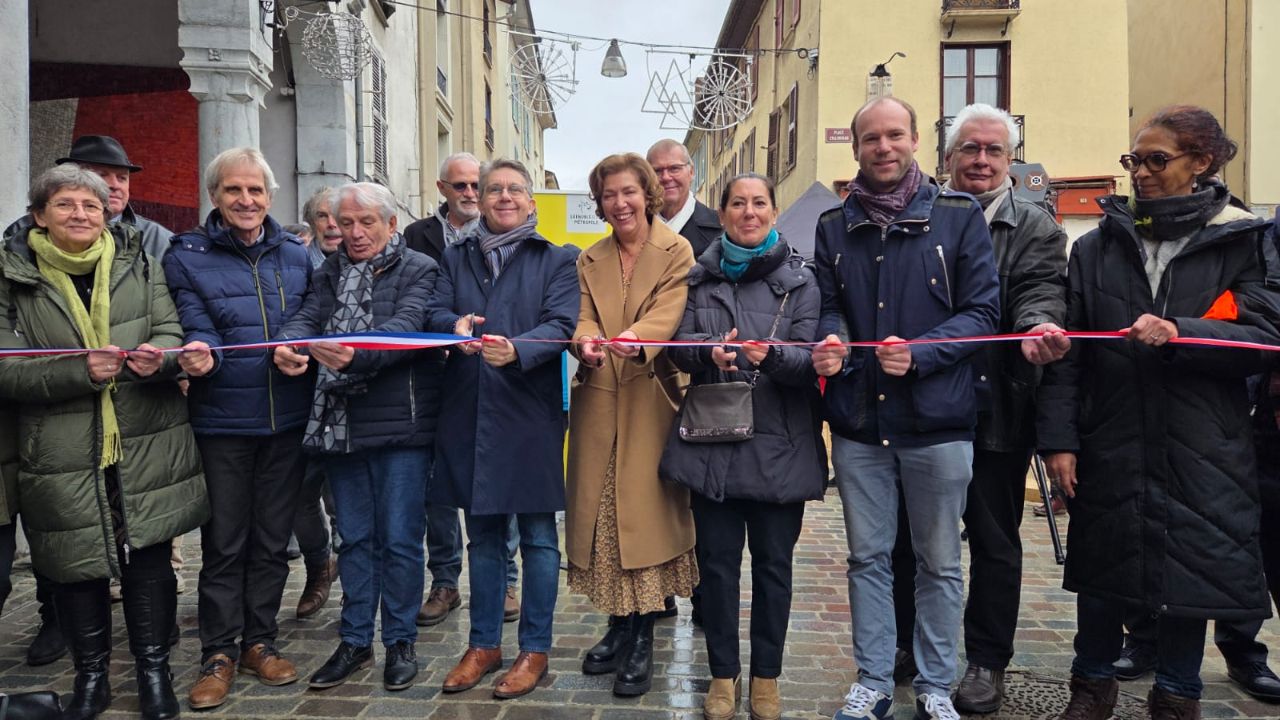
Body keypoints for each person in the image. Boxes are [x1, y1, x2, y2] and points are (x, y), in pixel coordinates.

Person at [1038, 105, 1280, 720]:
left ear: (1200, 164)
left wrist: (1182, 331)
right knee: (1100, 570)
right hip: (1111, 433)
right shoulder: (1094, 248)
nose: (1141, 172)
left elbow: (1263, 334)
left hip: (1204, 442)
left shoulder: (1242, 239)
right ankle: (1090, 688)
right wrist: (1060, 440)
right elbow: (1070, 354)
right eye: (1134, 160)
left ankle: (1178, 695)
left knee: (1190, 573)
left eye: (1156, 160)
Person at [811, 97, 1001, 720]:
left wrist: (921, 353)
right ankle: (871, 679)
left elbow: (984, 315)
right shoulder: (834, 224)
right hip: (862, 424)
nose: (883, 147)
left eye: (895, 135)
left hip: (939, 421)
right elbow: (830, 301)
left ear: (917, 140)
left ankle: (936, 685)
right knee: (867, 558)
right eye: (871, 138)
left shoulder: (958, 215)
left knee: (940, 562)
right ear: (857, 147)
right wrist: (834, 337)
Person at [0, 164, 209, 720]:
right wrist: (79, 371)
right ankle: (90, 676)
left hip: (143, 434)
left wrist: (158, 358)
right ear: (39, 214)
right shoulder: (12, 274)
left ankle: (154, 672)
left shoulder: (138, 259)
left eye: (91, 205)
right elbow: (4, 367)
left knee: (149, 558)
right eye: (66, 204)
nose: (81, 215)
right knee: (76, 563)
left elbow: (170, 331)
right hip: (59, 445)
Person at [888, 103, 1069, 714]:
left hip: (996, 409)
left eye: (995, 150)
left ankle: (987, 660)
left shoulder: (1036, 227)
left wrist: (1038, 326)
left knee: (994, 540)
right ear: (947, 156)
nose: (982, 160)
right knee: (913, 541)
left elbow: (1041, 289)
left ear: (1012, 161)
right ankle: (908, 646)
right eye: (971, 148)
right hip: (923, 408)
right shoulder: (920, 216)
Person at [658, 172, 826, 720]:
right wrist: (711, 353)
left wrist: (771, 356)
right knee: (718, 568)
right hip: (715, 446)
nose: (748, 212)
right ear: (723, 212)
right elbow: (677, 349)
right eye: (737, 203)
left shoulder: (803, 282)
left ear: (773, 212)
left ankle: (767, 679)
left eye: (758, 203)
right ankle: (723, 678)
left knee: (775, 568)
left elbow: (811, 364)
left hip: (781, 444)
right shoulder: (697, 279)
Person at [274, 182, 442, 692]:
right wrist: (286, 346)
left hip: (400, 429)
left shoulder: (421, 268)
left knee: (400, 541)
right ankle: (353, 641)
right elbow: (306, 317)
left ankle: (399, 641)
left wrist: (357, 354)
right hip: (340, 424)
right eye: (345, 222)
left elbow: (409, 328)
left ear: (391, 224)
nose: (354, 232)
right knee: (354, 540)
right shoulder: (327, 270)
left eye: (366, 222)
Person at [163, 147, 313, 710]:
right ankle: (218, 652)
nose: (246, 201)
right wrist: (203, 354)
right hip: (223, 419)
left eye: (255, 191)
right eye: (233, 190)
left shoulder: (296, 256)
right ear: (215, 197)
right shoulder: (186, 255)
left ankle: (260, 640)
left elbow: (308, 311)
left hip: (287, 418)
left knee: (273, 542)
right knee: (225, 542)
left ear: (270, 197)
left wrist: (297, 345)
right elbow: (195, 321)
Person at [425, 158, 578, 699]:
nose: (504, 197)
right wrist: (454, 327)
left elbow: (562, 324)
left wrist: (518, 349)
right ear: (479, 200)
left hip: (530, 412)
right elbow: (436, 311)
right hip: (468, 411)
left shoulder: (558, 258)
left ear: (531, 202)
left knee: (538, 538)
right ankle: (483, 645)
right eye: (495, 189)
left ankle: (534, 647)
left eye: (515, 189)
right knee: (483, 537)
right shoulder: (455, 254)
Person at [566, 152, 698, 697]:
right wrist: (585, 340)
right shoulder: (588, 257)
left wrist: (634, 339)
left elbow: (671, 309)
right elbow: (582, 314)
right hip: (599, 397)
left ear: (648, 195)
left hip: (650, 396)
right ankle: (617, 626)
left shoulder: (677, 249)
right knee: (603, 519)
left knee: (643, 520)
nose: (619, 203)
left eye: (629, 192)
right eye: (609, 194)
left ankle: (643, 632)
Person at [405, 152, 522, 628]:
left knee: (498, 473)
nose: (471, 194)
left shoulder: (507, 237)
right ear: (442, 188)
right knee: (439, 485)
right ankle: (446, 580)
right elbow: (420, 304)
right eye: (461, 186)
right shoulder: (418, 237)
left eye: (478, 184)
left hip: (492, 372)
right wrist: (450, 327)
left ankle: (507, 577)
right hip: (432, 373)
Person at [288, 187, 342, 620]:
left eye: (340, 215)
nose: (333, 224)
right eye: (322, 216)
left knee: (347, 501)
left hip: (351, 403)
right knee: (301, 495)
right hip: (301, 399)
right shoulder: (295, 266)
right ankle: (317, 566)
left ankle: (354, 581)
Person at [56, 135, 174, 259]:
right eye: (101, 176)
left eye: (122, 178)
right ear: (69, 181)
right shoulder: (44, 228)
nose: (115, 185)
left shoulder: (158, 239)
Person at [647, 139, 722, 259]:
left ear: (691, 172)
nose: (666, 177)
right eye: (657, 171)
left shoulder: (721, 230)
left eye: (674, 168)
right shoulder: (635, 230)